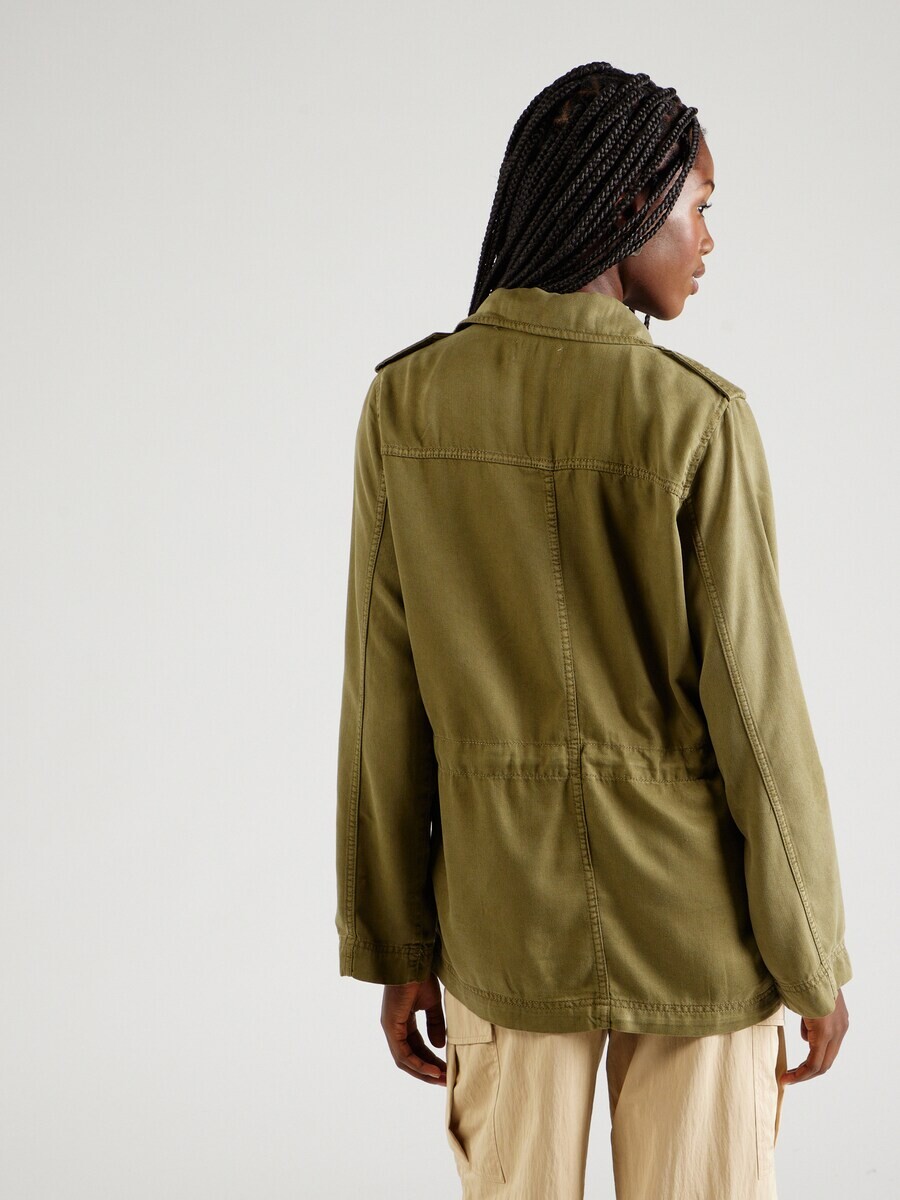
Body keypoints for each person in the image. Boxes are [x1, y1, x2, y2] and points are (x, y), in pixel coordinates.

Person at [334, 61, 852, 1199]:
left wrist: (397, 943)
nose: (709, 240)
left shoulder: (408, 404)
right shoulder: (695, 419)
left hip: (500, 922)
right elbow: (758, 716)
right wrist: (812, 953)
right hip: (698, 928)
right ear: (629, 206)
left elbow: (383, 703)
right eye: (699, 207)